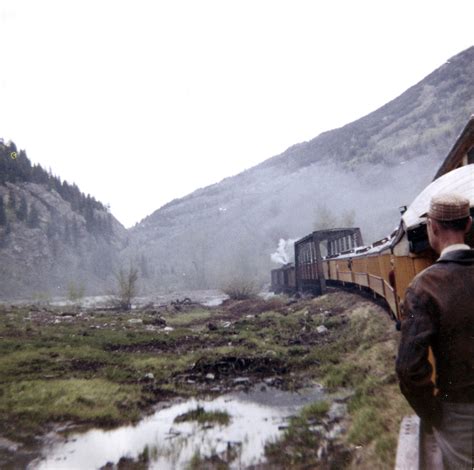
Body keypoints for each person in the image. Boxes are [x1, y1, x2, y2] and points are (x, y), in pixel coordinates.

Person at [396, 193, 473, 470]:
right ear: (468, 225)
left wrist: (434, 414)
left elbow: (408, 369)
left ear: (433, 227)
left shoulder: (423, 287)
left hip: (460, 413)